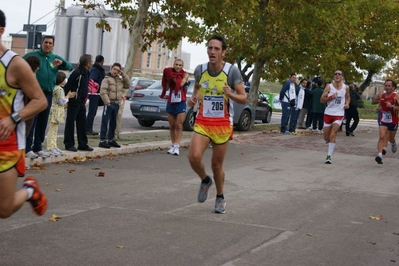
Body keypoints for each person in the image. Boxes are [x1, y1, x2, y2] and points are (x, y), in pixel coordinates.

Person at [187, 34, 247, 214]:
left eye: (216, 49)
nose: (212, 52)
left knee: (216, 166)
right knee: (193, 157)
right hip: (203, 122)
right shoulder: (200, 69)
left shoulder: (231, 71)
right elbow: (198, 86)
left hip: (222, 125)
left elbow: (243, 98)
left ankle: (220, 196)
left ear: (223, 52)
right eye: (210, 48)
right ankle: (205, 180)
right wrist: (194, 98)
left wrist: (230, 94)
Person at [0, 9, 48, 218]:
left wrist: (13, 118)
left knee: (4, 209)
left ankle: (30, 190)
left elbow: (40, 101)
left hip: (7, 146)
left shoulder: (15, 64)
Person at [23, 35, 72, 159]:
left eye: (50, 43)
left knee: (43, 121)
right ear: (42, 43)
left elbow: (69, 66)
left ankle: (38, 147)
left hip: (48, 93)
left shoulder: (54, 58)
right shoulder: (34, 55)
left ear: (53, 45)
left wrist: (62, 63)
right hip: (35, 93)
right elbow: (19, 62)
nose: (48, 45)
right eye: (46, 42)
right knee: (32, 121)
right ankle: (27, 148)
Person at [63, 54, 94, 152]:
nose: (92, 63)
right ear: (87, 63)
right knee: (70, 123)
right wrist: (68, 98)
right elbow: (68, 86)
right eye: (91, 62)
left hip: (81, 102)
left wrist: (86, 89)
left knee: (82, 123)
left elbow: (83, 85)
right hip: (74, 101)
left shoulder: (86, 72)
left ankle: (83, 144)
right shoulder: (77, 73)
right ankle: (69, 144)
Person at [160, 59, 189, 156]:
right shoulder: (170, 74)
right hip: (171, 101)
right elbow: (167, 88)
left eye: (180, 65)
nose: (178, 66)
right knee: (172, 125)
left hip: (181, 101)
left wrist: (173, 79)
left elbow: (181, 84)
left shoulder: (185, 75)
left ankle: (177, 146)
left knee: (179, 125)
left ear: (182, 66)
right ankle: (173, 144)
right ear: (173, 65)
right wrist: (168, 79)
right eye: (176, 64)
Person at [320, 70, 350, 164]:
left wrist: (347, 103)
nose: (337, 75)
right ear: (333, 76)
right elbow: (321, 100)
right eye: (335, 74)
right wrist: (331, 97)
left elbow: (348, 97)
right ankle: (328, 140)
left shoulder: (346, 87)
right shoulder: (329, 87)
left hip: (339, 113)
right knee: (326, 136)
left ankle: (329, 156)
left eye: (339, 74)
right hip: (328, 113)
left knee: (333, 133)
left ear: (342, 77)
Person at [98, 63, 130, 149]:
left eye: (118, 70)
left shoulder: (119, 79)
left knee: (113, 122)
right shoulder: (106, 79)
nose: (115, 71)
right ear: (111, 68)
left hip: (116, 103)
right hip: (109, 103)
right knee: (105, 121)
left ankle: (111, 139)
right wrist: (108, 103)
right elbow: (103, 92)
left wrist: (124, 76)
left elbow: (127, 85)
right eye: (114, 69)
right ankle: (102, 140)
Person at [47, 72, 75, 156]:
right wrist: (68, 96)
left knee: (54, 129)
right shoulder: (59, 89)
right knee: (52, 130)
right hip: (56, 111)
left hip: (56, 111)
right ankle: (50, 146)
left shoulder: (56, 88)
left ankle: (54, 145)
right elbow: (61, 101)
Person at [372, 79, 398, 164]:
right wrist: (379, 108)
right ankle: (379, 155)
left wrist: (392, 106)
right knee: (382, 136)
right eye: (386, 85)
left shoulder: (396, 96)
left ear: (393, 87)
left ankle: (393, 143)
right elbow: (373, 102)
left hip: (393, 120)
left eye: (389, 86)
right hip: (383, 119)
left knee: (391, 138)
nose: (387, 87)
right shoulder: (381, 95)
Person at [86, 55, 106, 135]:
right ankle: (88, 129)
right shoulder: (95, 70)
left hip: (96, 93)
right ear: (101, 61)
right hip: (94, 94)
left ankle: (89, 128)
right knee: (92, 112)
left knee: (93, 112)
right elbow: (92, 81)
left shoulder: (97, 69)